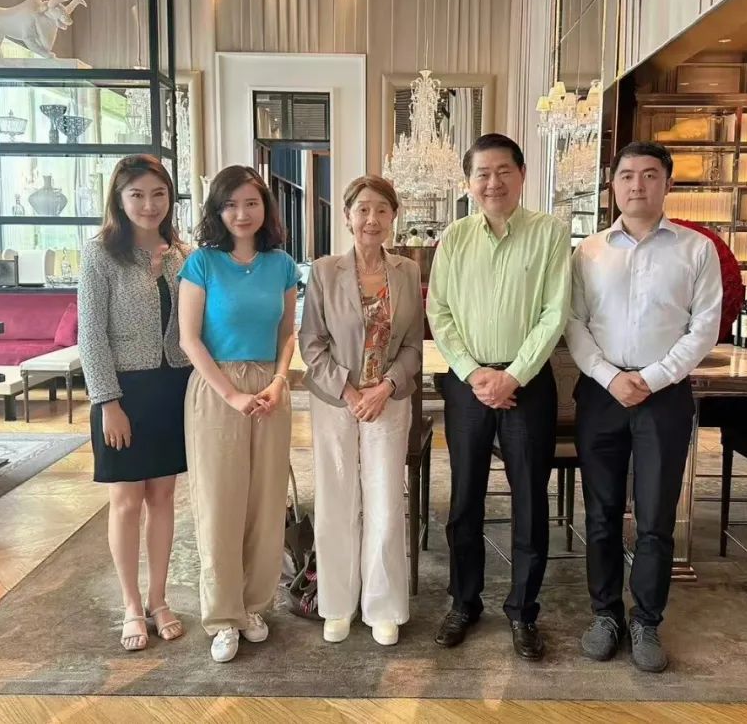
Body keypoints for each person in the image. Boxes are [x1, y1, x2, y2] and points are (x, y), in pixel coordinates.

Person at [566, 141, 722, 673]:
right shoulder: (588, 252)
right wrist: (610, 377)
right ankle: (605, 614)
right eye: (627, 175)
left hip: (665, 396)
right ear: (612, 185)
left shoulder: (697, 250)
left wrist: (651, 379)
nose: (638, 185)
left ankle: (647, 621)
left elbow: (703, 329)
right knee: (601, 513)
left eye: (650, 175)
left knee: (656, 516)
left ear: (668, 184)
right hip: (601, 394)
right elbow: (573, 323)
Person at [426, 133, 571, 661]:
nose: (493, 182)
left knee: (530, 500)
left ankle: (524, 610)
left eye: (503, 171)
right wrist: (473, 374)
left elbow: (555, 313)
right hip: (468, 385)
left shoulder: (550, 233)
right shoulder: (454, 237)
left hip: (527, 385)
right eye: (482, 174)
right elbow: (439, 311)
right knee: (464, 498)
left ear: (522, 174)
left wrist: (514, 375)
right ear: (469, 182)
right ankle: (464, 602)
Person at [177, 165, 300, 664]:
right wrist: (230, 395)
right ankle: (223, 616)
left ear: (265, 207)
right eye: (230, 204)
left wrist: (278, 381)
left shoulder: (282, 264)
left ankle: (254, 606)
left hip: (270, 387)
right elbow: (189, 339)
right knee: (219, 503)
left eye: (251, 203)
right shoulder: (202, 263)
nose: (242, 213)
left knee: (266, 504)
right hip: (216, 388)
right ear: (217, 210)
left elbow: (287, 333)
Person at [299, 175, 424, 647]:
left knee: (385, 501)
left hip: (388, 401)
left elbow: (413, 346)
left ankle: (383, 606)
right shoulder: (324, 270)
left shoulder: (406, 271)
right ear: (348, 216)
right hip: (335, 401)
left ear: (394, 217)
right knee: (336, 499)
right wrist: (350, 392)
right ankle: (336, 604)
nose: (372, 219)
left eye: (382, 210)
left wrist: (385, 387)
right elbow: (311, 343)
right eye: (363, 209)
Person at [78, 154, 192, 652]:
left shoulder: (183, 254)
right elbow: (90, 334)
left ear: (170, 198)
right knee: (126, 502)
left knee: (163, 498)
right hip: (123, 392)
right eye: (138, 195)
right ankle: (130, 604)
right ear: (120, 199)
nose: (149, 204)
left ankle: (158, 598)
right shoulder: (101, 254)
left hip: (173, 387)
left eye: (158, 194)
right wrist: (108, 402)